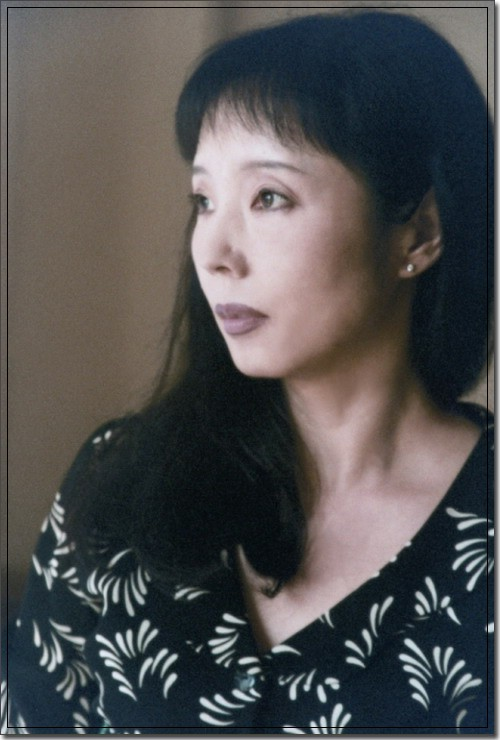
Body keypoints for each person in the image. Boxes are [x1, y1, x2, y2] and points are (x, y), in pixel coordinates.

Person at [2, 10, 493, 735]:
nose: (214, 253)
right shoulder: (118, 483)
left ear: (419, 232)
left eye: (269, 197)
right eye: (204, 201)